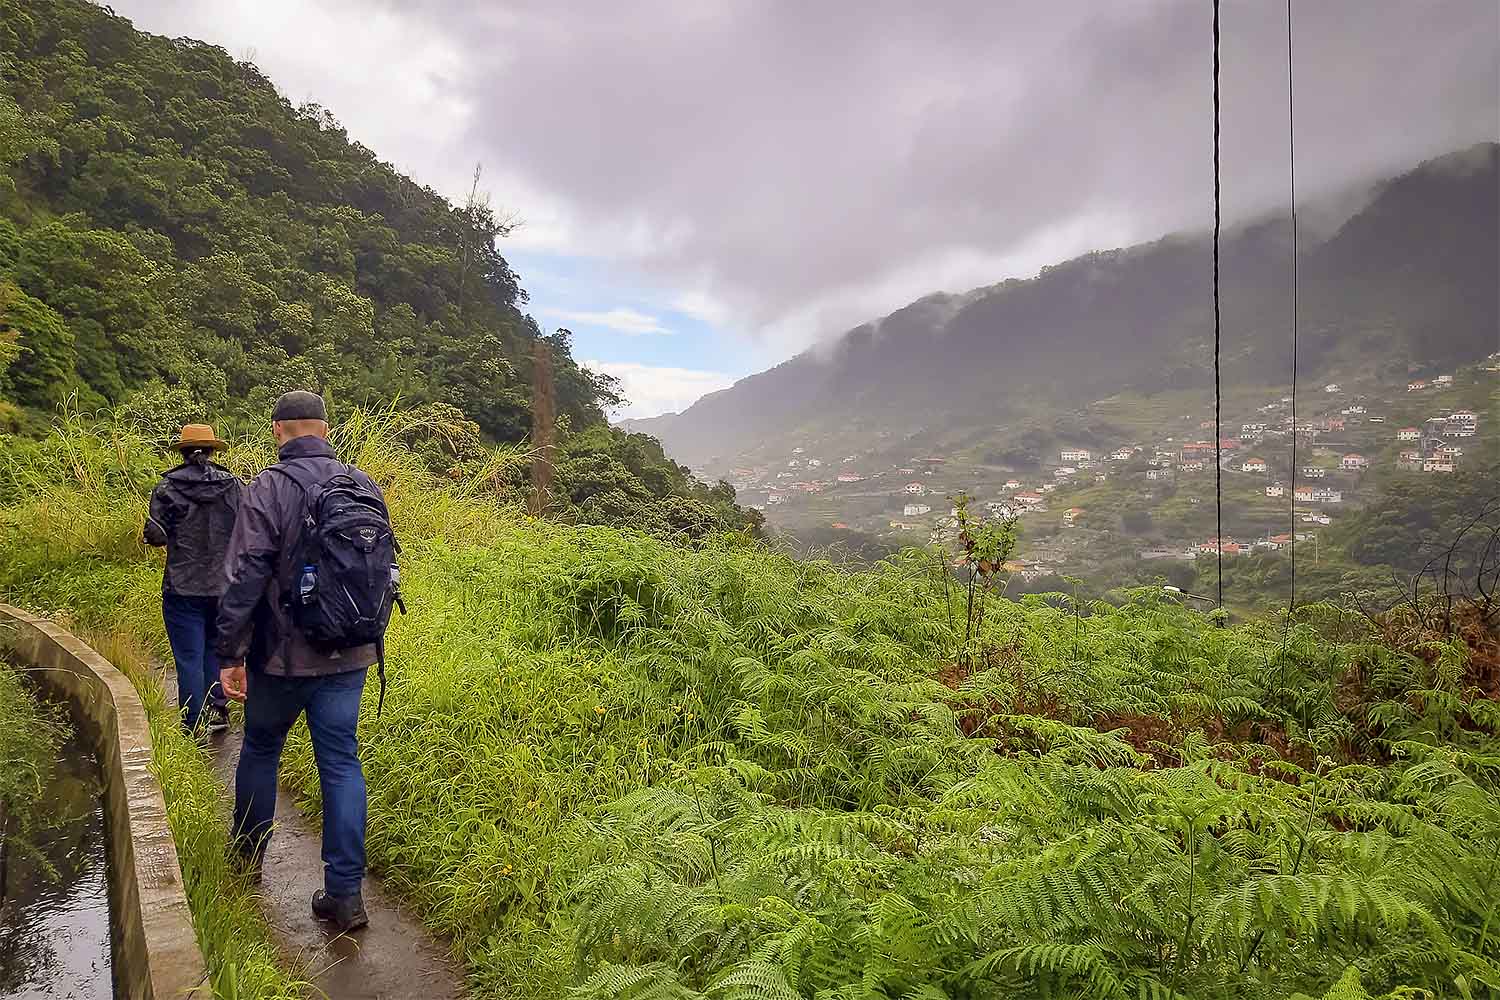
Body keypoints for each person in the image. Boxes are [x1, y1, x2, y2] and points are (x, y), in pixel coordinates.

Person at [215, 391, 389, 933]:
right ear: (325, 428)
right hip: (350, 652)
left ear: (278, 431)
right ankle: (345, 897)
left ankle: (246, 866)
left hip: (282, 658)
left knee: (262, 748)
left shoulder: (266, 487)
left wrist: (231, 652)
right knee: (341, 763)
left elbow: (244, 575)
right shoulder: (362, 484)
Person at [144, 423, 242, 735]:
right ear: (213, 451)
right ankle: (218, 710)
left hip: (182, 585)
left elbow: (156, 536)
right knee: (216, 648)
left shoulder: (166, 489)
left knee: (188, 656)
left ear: (183, 452)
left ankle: (192, 723)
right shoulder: (234, 486)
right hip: (224, 585)